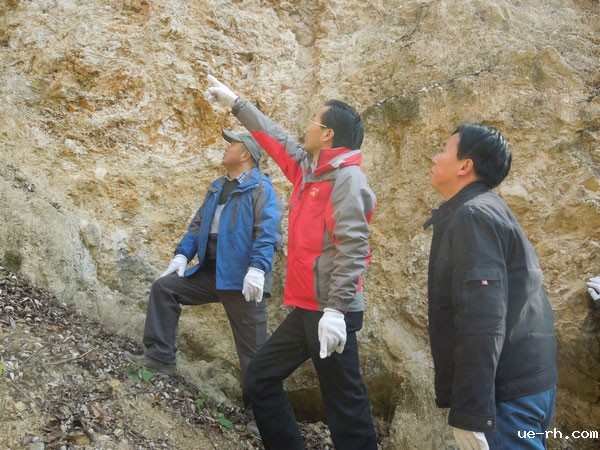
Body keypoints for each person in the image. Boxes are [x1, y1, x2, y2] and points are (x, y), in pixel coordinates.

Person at [204, 75, 378, 450]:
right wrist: (236, 104)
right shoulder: (308, 169)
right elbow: (276, 138)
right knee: (261, 377)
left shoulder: (347, 180)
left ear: (327, 134)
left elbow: (354, 248)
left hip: (331, 311)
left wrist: (336, 310)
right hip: (308, 309)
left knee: (346, 409)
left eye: (314, 120)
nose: (307, 127)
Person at [124, 130, 281, 433]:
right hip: (210, 274)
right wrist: (182, 255)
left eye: (232, 145)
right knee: (165, 288)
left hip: (243, 281)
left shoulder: (261, 189)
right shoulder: (217, 187)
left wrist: (257, 270)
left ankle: (263, 419)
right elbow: (197, 227)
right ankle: (159, 358)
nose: (226, 149)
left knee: (255, 354)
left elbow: (267, 234)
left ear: (245, 154)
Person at [423, 124, 558, 450]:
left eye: (444, 149)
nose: (434, 157)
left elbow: (482, 319)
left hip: (507, 397)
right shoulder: (486, 208)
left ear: (465, 166)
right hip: (525, 384)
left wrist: (472, 414)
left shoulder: (473, 216)